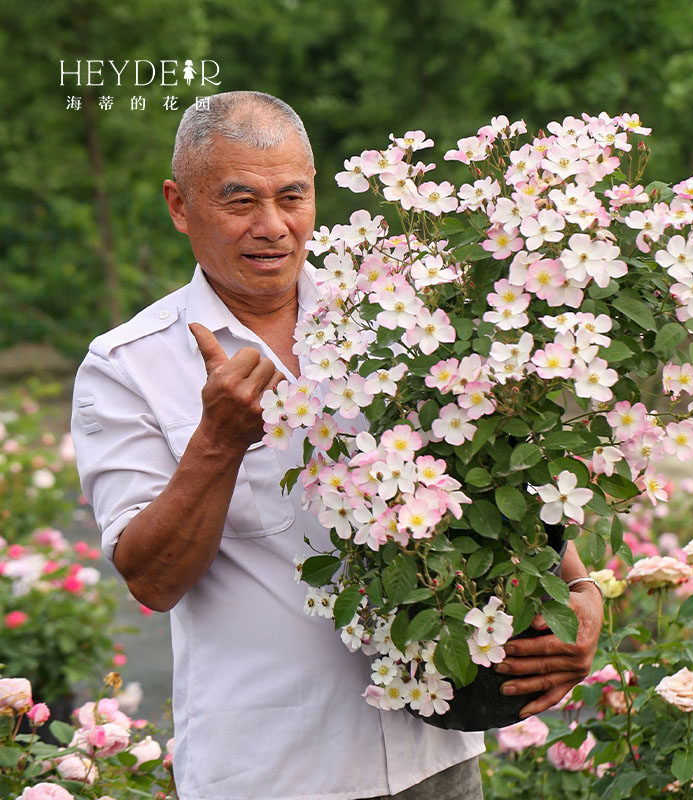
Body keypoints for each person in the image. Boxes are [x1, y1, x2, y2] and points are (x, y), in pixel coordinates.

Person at [71, 91, 603, 800]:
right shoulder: (128, 365)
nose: (273, 227)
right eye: (239, 202)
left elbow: (482, 477)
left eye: (292, 196)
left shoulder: (393, 320)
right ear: (179, 205)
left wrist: (579, 588)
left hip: (432, 754)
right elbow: (153, 578)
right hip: (272, 769)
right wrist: (218, 442)